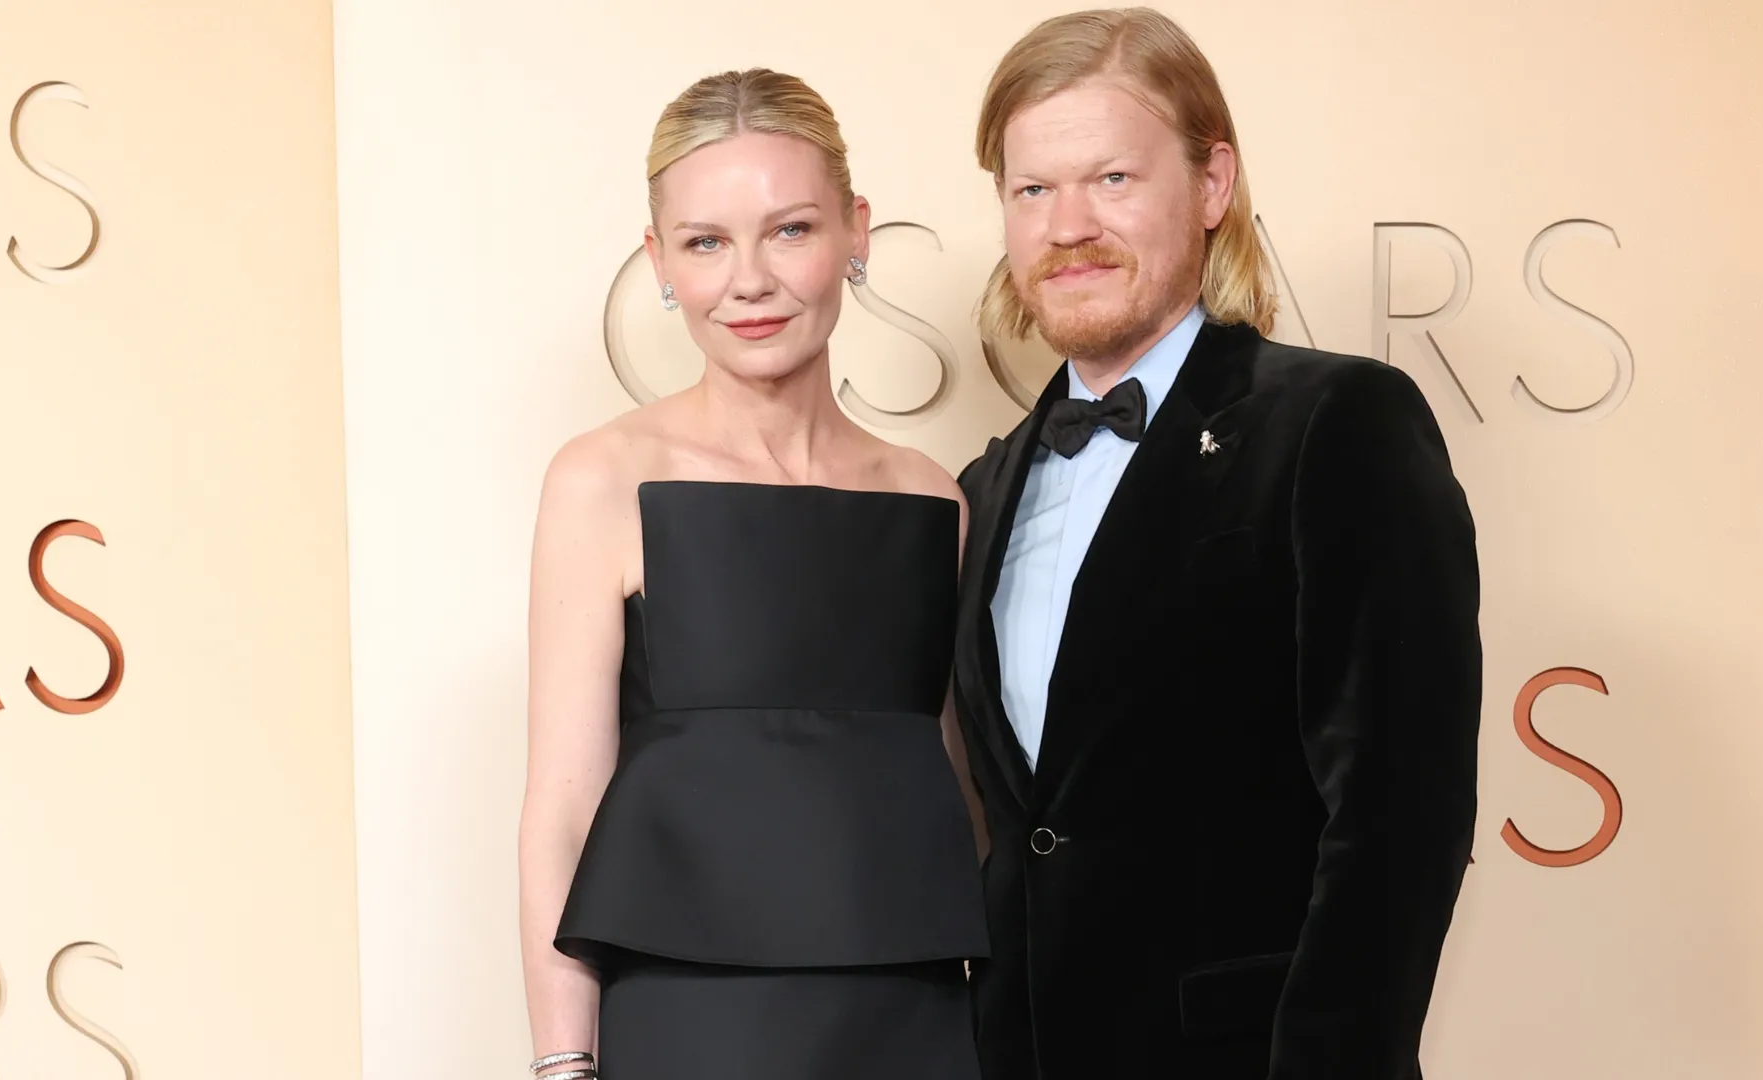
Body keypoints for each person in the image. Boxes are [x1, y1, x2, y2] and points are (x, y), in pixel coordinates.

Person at [951, 9, 1482, 1079]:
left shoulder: (1338, 423)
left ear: (1211, 185)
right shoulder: (987, 484)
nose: (1068, 226)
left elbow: (1395, 818)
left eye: (1112, 179)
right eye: (1032, 191)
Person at [516, 68, 989, 1080]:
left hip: (912, 1016)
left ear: (856, 233)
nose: (750, 281)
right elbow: (561, 813)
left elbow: (969, 804)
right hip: (687, 1019)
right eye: (705, 242)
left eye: (791, 230)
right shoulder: (605, 481)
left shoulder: (935, 502)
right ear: (660, 261)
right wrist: (564, 1065)